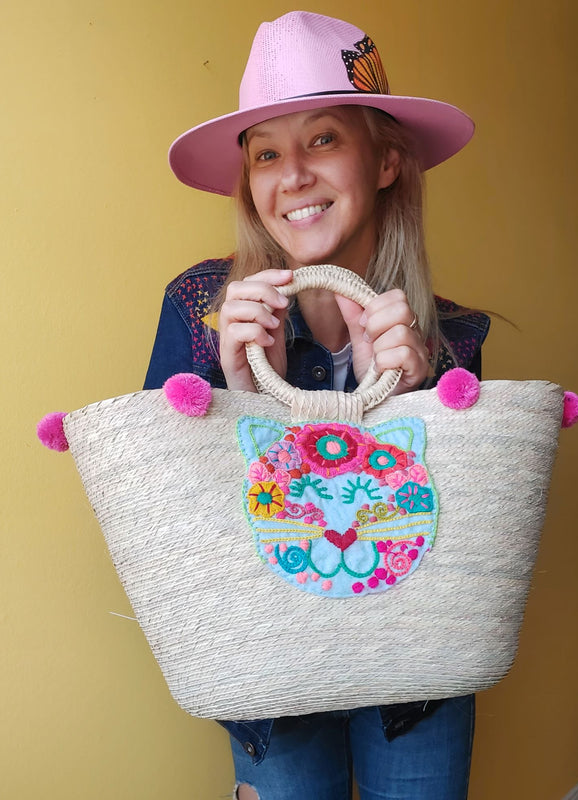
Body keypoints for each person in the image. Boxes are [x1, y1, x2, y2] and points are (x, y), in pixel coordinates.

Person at [144, 11, 489, 800]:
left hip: (416, 679)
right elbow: (170, 532)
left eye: (324, 139)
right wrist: (232, 399)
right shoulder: (202, 308)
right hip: (266, 675)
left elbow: (471, 553)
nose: (291, 175)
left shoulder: (454, 338)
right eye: (266, 152)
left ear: (388, 161)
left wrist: (408, 404)